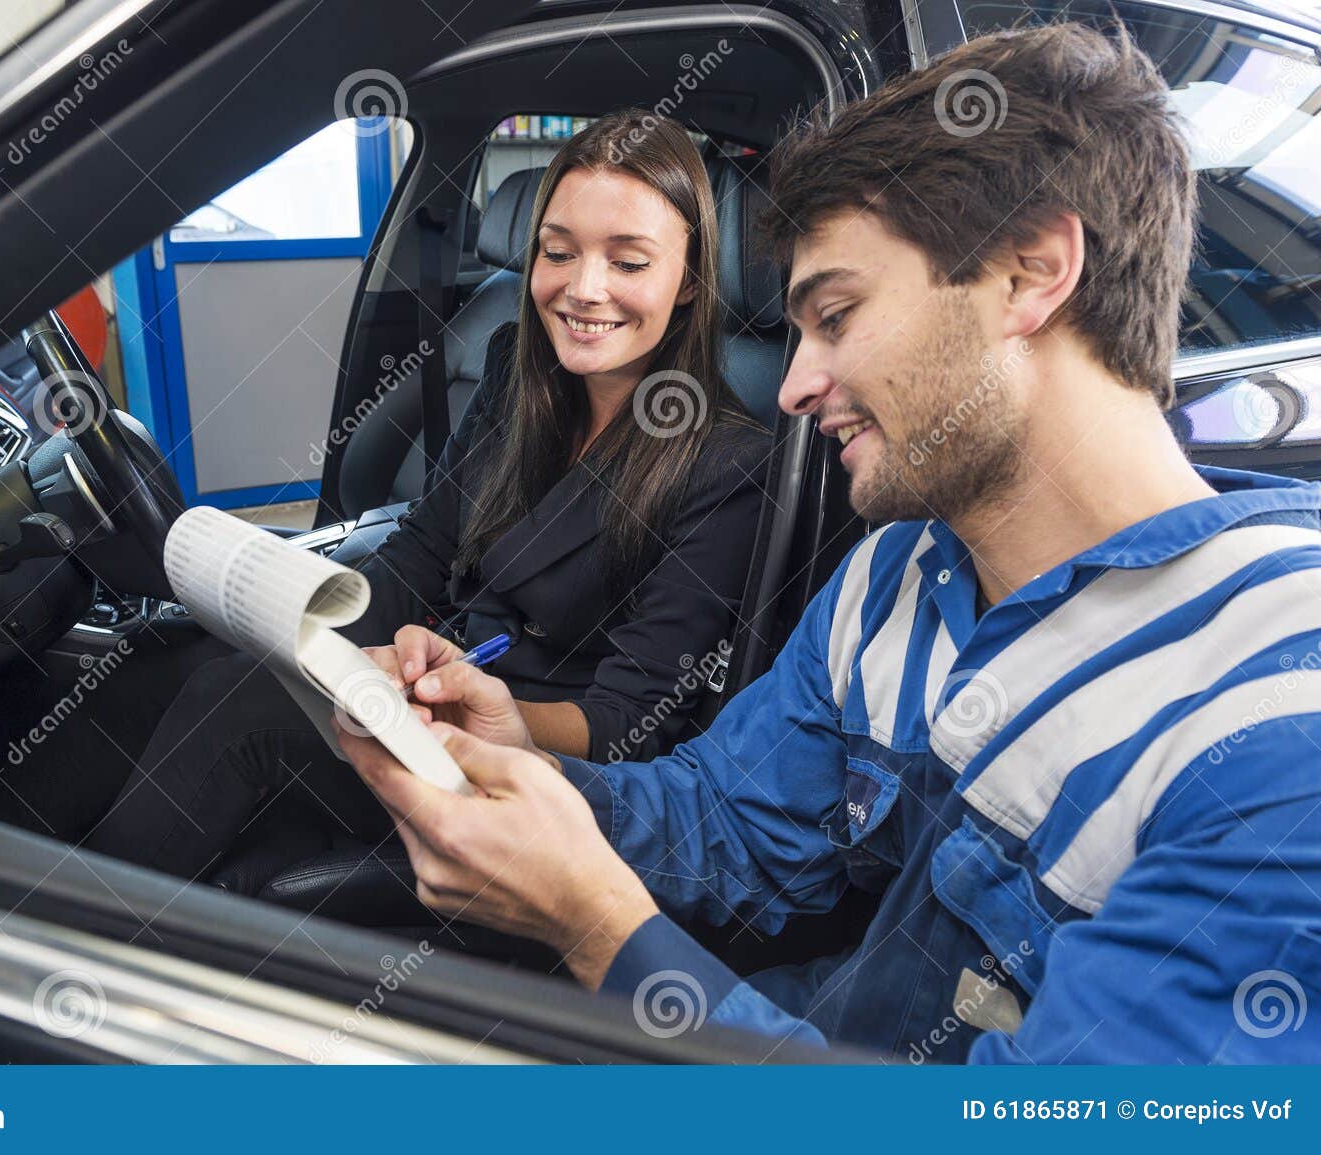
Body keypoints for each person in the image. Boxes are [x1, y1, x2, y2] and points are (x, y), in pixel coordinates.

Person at [335, 24, 1321, 1063]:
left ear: (1032, 274)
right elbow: (725, 821)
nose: (798, 386)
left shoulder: (1269, 724)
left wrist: (598, 931)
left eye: (837, 316)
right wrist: (518, 761)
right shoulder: (894, 581)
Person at [87, 110, 772, 889]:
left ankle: (68, 942)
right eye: (558, 252)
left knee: (235, 704)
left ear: (688, 281)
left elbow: (626, 723)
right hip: (421, 684)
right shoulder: (519, 373)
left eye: (629, 262)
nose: (584, 289)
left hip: (523, 763)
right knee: (171, 660)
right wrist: (304, 623)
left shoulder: (730, 465)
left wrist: (469, 705)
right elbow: (420, 552)